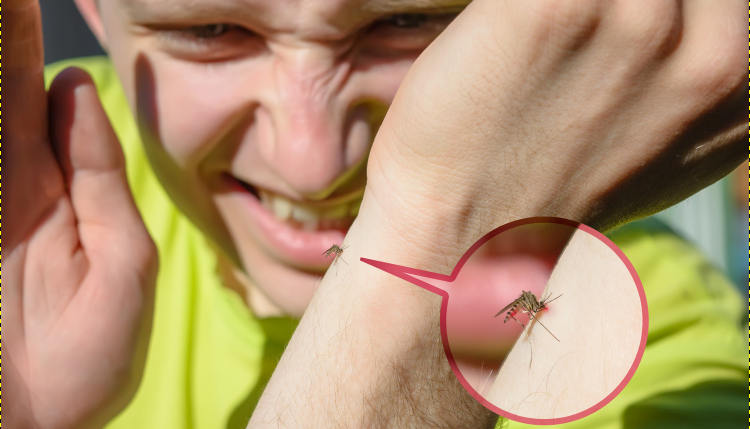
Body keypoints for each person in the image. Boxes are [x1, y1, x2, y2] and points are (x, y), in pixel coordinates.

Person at [6, 0, 746, 427]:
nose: (311, 160)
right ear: (98, 10)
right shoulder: (24, 188)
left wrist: (448, 237)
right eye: (212, 34)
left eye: (405, 20)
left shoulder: (649, 346)